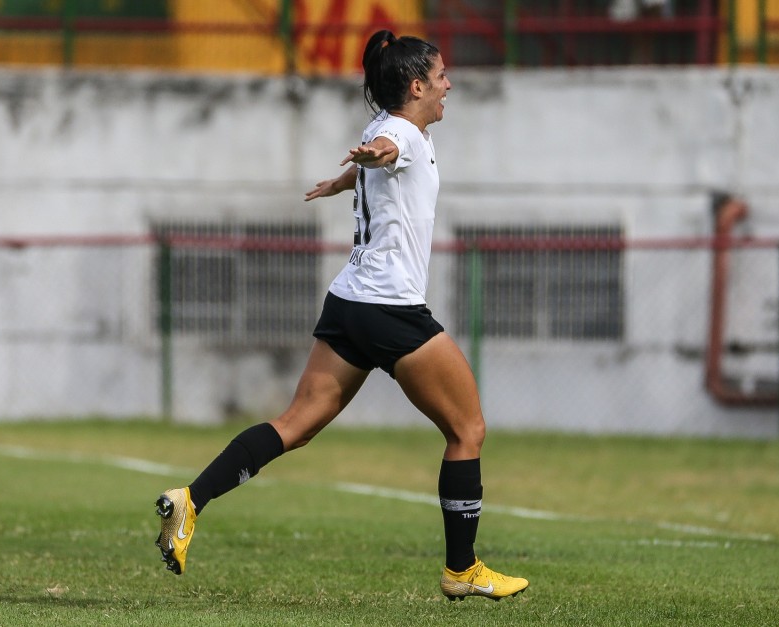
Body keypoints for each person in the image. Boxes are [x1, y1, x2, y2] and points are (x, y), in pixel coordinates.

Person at [154, 29, 529, 602]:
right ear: (416, 85)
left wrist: (348, 178)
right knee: (467, 429)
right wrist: (372, 158)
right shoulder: (398, 131)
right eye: (442, 76)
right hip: (390, 308)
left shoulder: (398, 130)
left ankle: (189, 500)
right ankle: (462, 569)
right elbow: (390, 148)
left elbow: (385, 160)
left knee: (295, 424)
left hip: (350, 302)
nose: (450, 84)